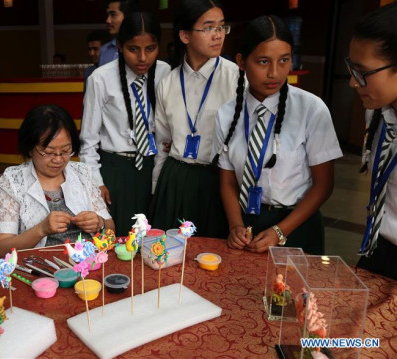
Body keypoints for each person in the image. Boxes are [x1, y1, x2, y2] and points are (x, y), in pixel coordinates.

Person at [212, 15, 342, 254]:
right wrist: (235, 226)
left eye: (284, 60)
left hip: (296, 224)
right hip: (247, 224)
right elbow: (228, 181)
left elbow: (323, 185)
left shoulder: (311, 109)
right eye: (263, 61)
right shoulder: (227, 113)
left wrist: (280, 231)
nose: (274, 73)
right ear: (241, 61)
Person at [150, 0, 239, 237]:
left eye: (221, 27)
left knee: (211, 255)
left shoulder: (236, 79)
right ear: (185, 36)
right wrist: (157, 190)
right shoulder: (168, 82)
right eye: (208, 28)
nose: (218, 35)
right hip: (175, 177)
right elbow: (162, 143)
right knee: (168, 254)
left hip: (216, 179)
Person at [79, 12, 170, 234]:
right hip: (115, 172)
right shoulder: (100, 79)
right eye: (133, 49)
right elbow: (88, 141)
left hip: (153, 167)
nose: (142, 58)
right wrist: (96, 182)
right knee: (118, 238)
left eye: (150, 49)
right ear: (119, 46)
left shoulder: (165, 72)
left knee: (152, 238)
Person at [0, 105, 114, 256]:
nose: (58, 159)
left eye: (65, 151)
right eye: (48, 152)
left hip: (89, 262)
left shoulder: (82, 173)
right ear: (30, 148)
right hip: (40, 267)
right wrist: (41, 230)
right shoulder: (12, 182)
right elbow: (1, 249)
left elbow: (111, 231)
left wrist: (100, 223)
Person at [347, 3, 397, 279]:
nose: (353, 83)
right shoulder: (377, 114)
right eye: (351, 69)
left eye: (362, 72)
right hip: (376, 251)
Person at [97, 0, 139, 67]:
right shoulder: (105, 49)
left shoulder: (142, 48)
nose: (108, 20)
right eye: (108, 15)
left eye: (113, 15)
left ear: (127, 17)